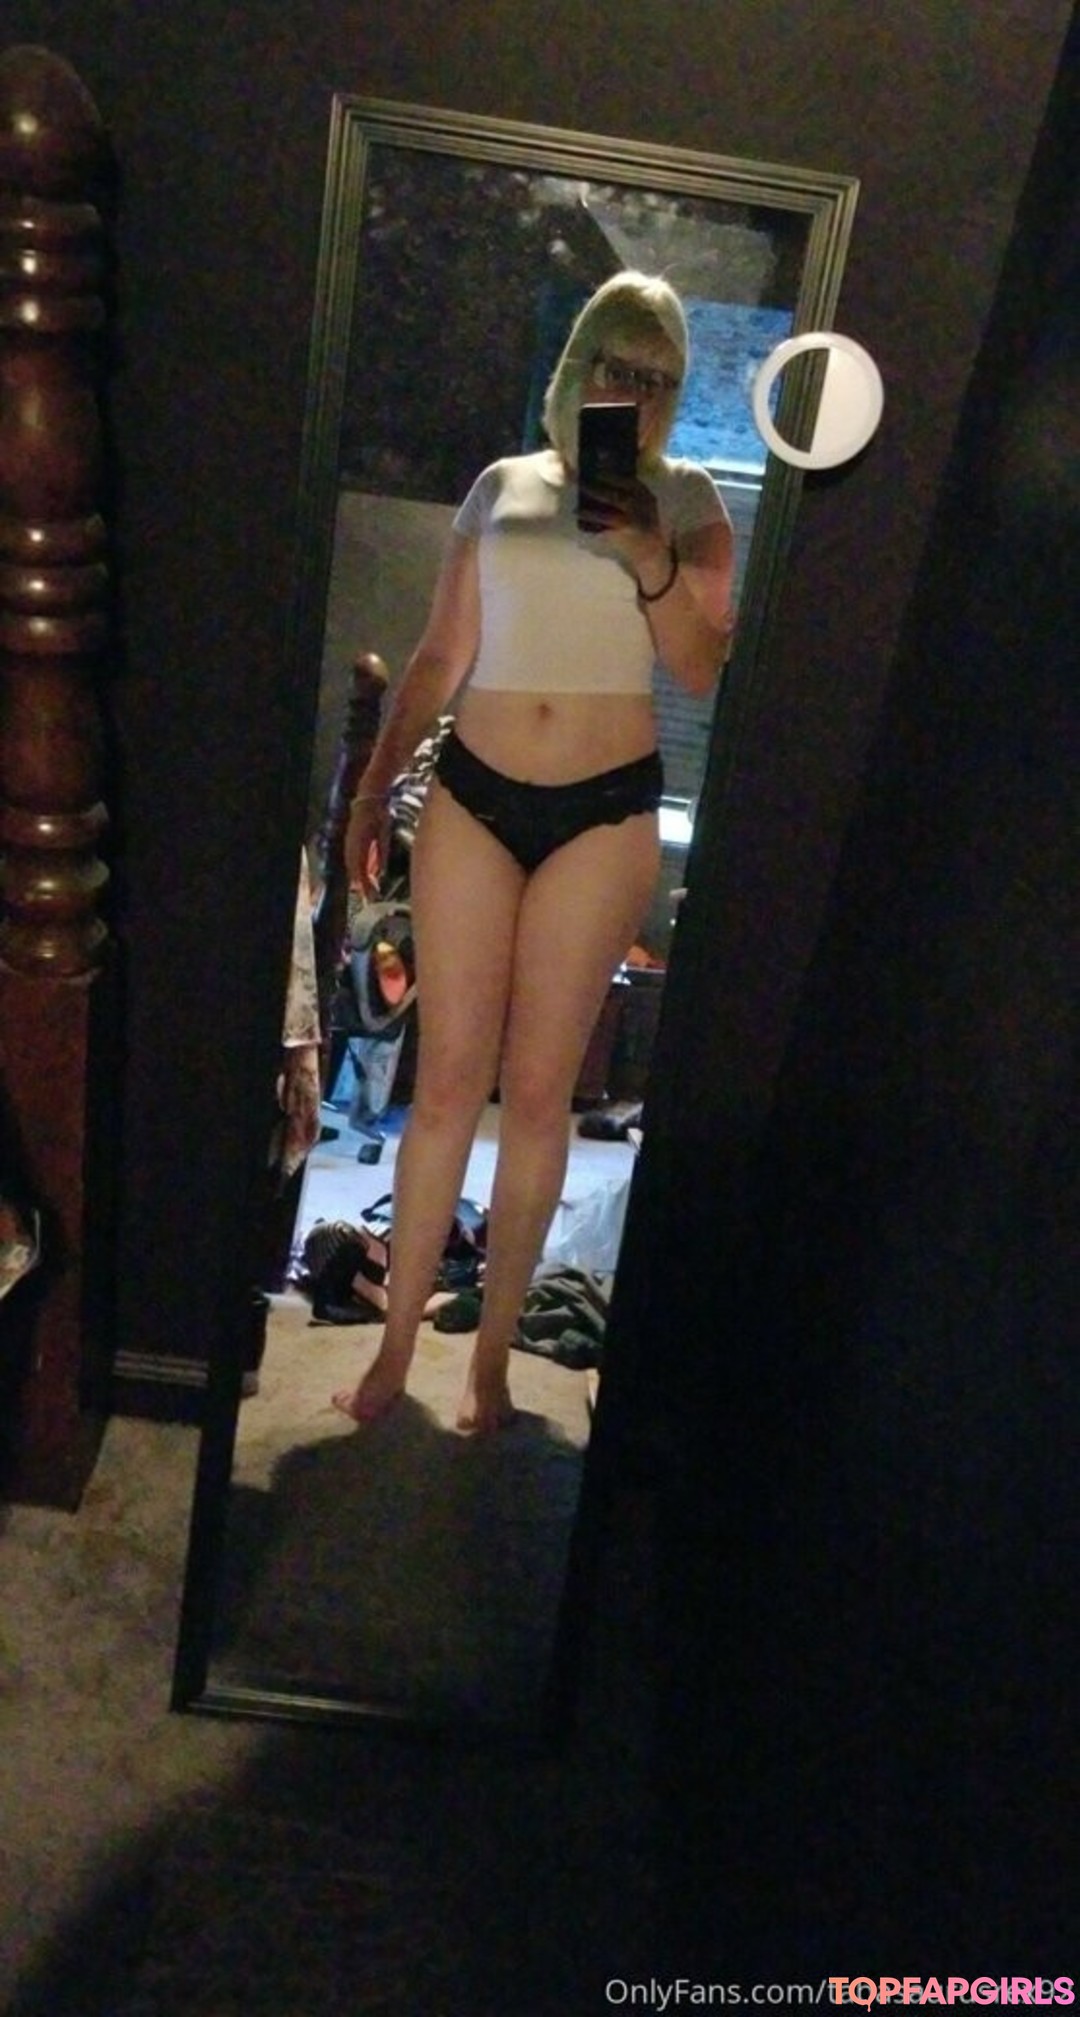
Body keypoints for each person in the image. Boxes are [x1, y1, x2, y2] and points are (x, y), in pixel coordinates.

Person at [332, 269, 736, 1434]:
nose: (634, 392)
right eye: (617, 365)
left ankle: (493, 1359)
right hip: (475, 792)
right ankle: (397, 1342)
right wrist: (372, 789)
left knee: (542, 1092)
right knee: (446, 1082)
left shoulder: (691, 500)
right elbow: (439, 653)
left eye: (657, 376)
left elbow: (699, 666)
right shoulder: (502, 487)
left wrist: (648, 550)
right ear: (579, 366)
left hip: (603, 813)